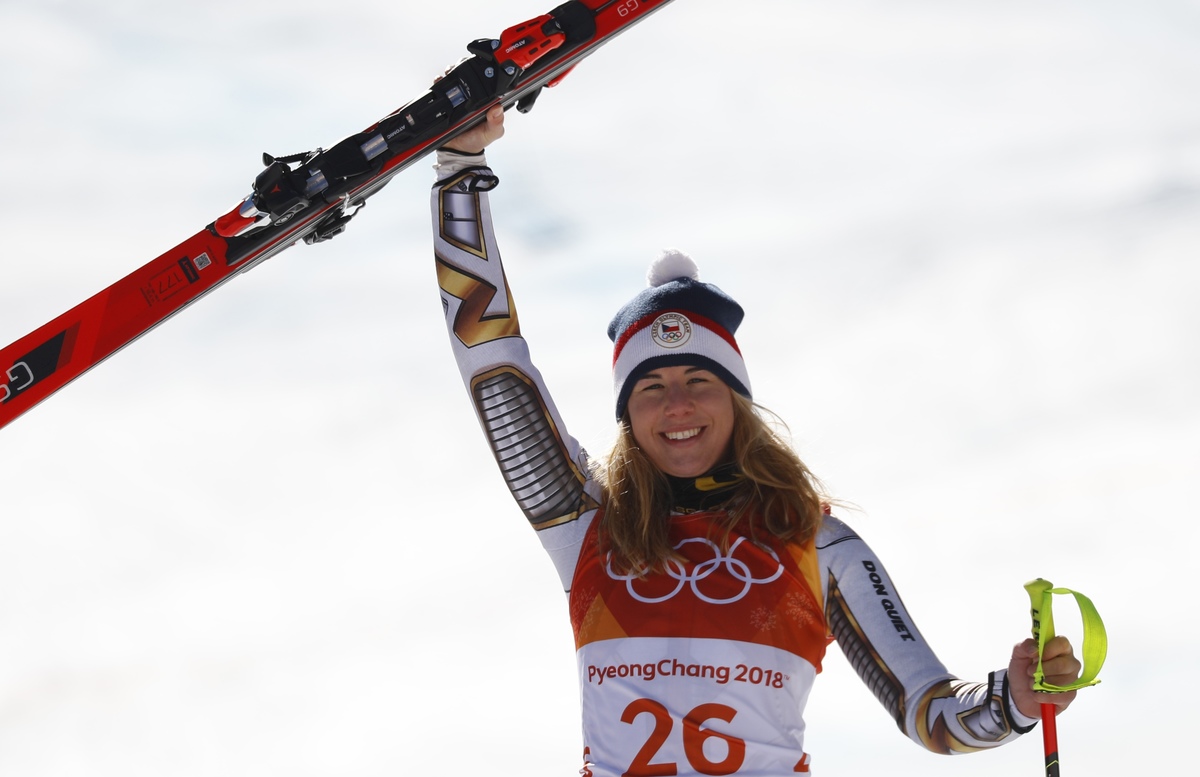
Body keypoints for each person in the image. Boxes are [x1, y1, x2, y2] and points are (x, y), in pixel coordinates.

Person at [429, 106, 1080, 775]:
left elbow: (929, 712)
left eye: (699, 380)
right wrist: (460, 173)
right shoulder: (588, 525)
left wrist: (1012, 701)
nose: (677, 405)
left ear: (736, 401)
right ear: (628, 416)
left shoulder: (815, 543)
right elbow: (492, 363)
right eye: (650, 387)